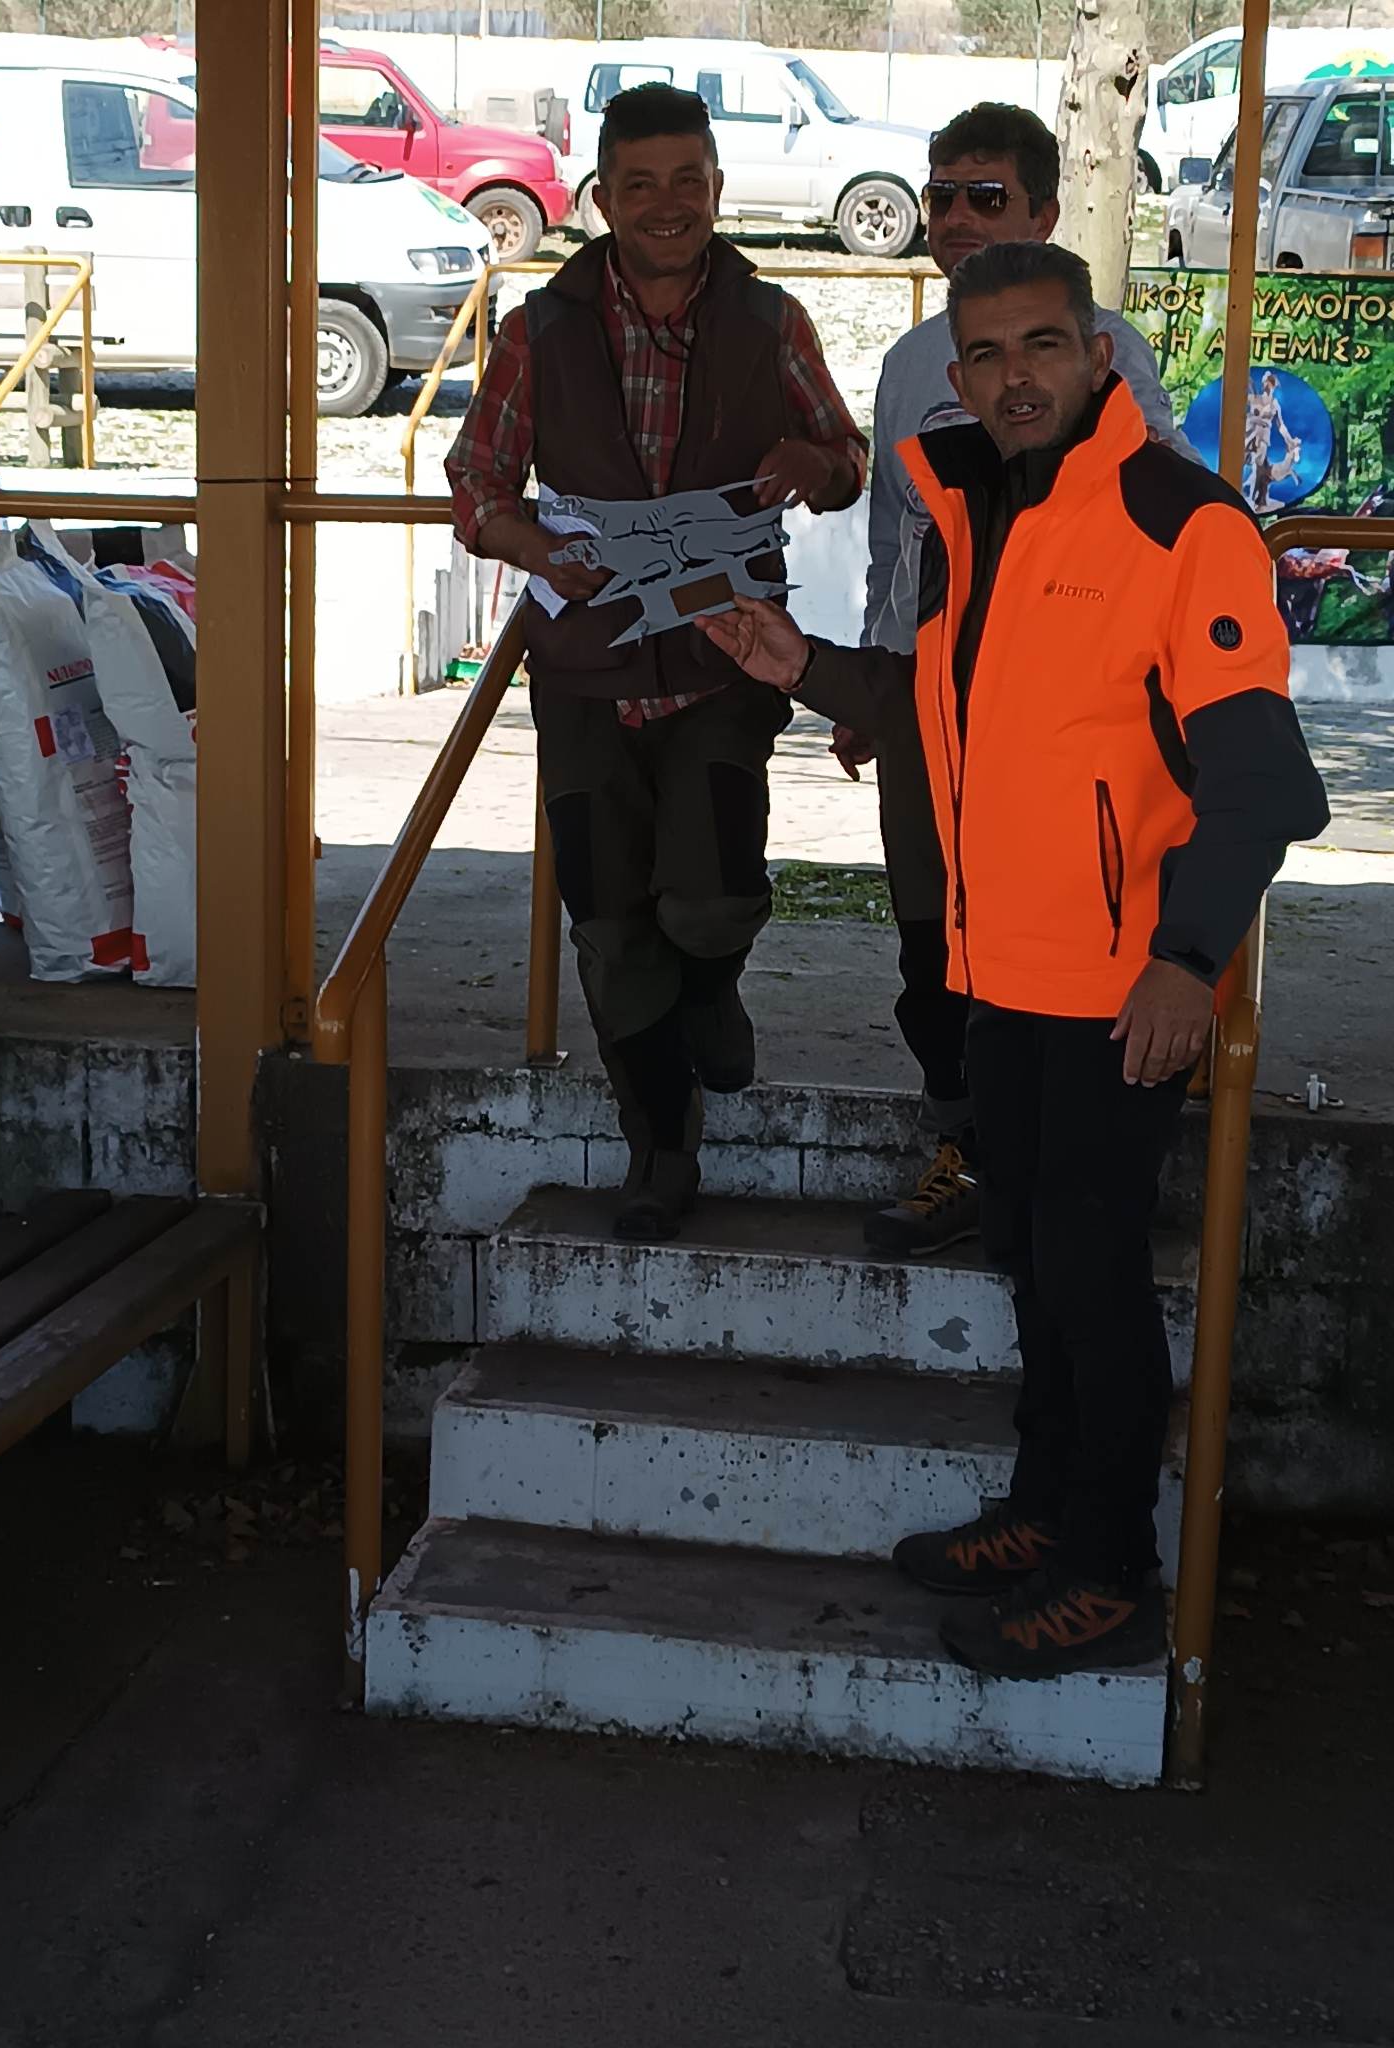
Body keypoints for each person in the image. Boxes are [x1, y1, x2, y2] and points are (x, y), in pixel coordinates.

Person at [698, 241, 1328, 1678]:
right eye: (983, 354)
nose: (1013, 377)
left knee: (1094, 1283)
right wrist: (806, 667)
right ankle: (1045, 1513)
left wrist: (1186, 962)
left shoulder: (1181, 523)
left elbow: (1265, 787)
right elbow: (954, 710)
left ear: (1100, 356)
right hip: (1002, 978)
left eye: (1042, 344)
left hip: (1121, 992)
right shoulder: (977, 512)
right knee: (1038, 1267)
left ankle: (1108, 1570)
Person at [446, 83, 866, 1242]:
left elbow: (849, 457)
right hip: (584, 671)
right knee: (607, 920)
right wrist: (533, 545)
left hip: (727, 663)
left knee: (712, 895)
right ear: (603, 198)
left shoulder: (773, 320)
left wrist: (818, 465)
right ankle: (659, 1145)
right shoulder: (539, 329)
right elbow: (476, 482)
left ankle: (715, 990)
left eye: (689, 181)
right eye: (641, 185)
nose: (667, 204)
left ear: (719, 189)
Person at [855, 103, 1190, 1260]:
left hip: (1065, 709)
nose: (956, 216)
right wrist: (880, 679)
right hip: (929, 701)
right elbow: (895, 536)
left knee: (1053, 949)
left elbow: (1156, 509)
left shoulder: (1104, 350)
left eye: (986, 196)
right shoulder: (913, 365)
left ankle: (1070, 1166)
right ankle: (970, 1149)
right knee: (931, 947)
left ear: (1045, 214)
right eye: (941, 194)